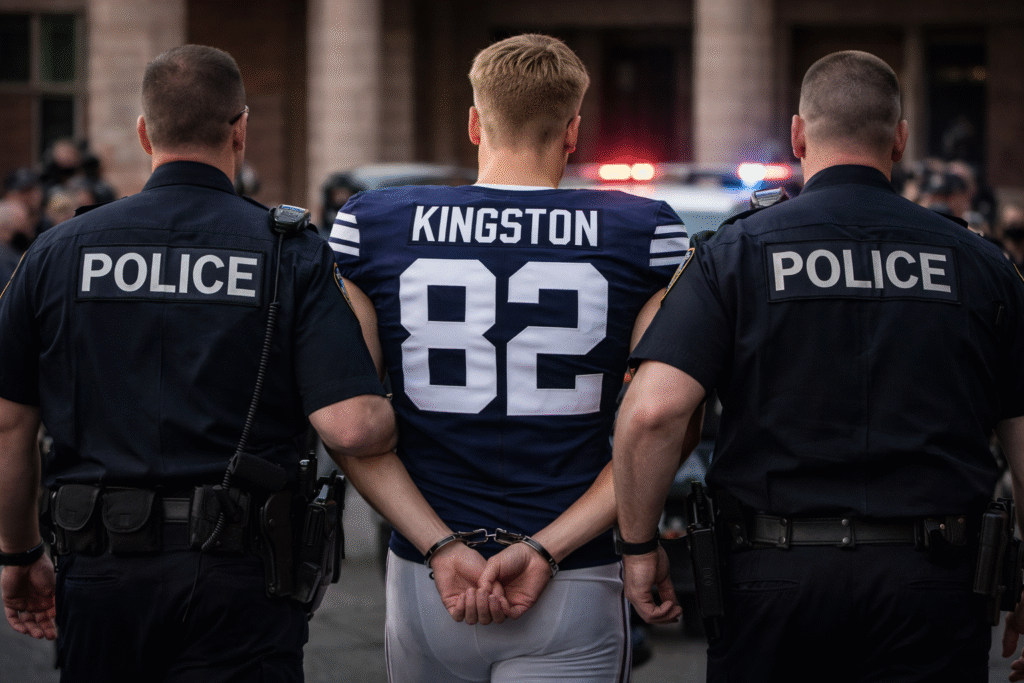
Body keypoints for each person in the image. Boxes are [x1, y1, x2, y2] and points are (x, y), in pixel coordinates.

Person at [612, 50, 1024, 683]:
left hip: (774, 581)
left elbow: (653, 413)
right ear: (900, 139)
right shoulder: (980, 262)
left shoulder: (736, 253)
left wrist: (638, 548)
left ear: (800, 135)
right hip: (935, 584)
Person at [0, 44, 396, 682]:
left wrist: (16, 554)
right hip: (242, 575)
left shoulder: (57, 252)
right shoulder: (289, 252)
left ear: (143, 131)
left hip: (99, 567)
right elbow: (351, 426)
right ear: (241, 129)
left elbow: (9, 423)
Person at [330, 33, 698, 682]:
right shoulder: (647, 232)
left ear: (474, 121)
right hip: (576, 565)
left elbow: (349, 422)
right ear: (573, 131)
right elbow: (658, 423)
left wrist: (439, 545)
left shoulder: (372, 222)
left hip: (426, 569)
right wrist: (547, 547)